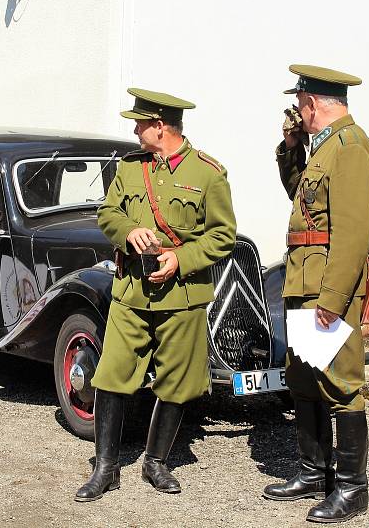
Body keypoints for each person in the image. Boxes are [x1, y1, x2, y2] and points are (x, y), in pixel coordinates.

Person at [75, 88, 236, 502]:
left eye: (140, 123)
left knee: (178, 382)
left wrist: (181, 258)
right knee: (111, 376)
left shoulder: (208, 174)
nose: (134, 129)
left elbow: (223, 236)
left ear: (160, 127)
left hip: (182, 295)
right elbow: (107, 213)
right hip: (131, 292)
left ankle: (156, 461)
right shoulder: (131, 169)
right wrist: (128, 232)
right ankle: (106, 468)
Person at [262, 65, 369, 524]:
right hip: (303, 284)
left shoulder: (351, 148)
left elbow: (352, 233)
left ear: (312, 104)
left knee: (342, 385)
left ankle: (352, 489)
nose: (298, 113)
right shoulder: (323, 149)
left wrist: (332, 298)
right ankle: (314, 472)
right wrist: (291, 151)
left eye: (300, 105)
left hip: (326, 288)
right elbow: (302, 202)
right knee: (306, 378)